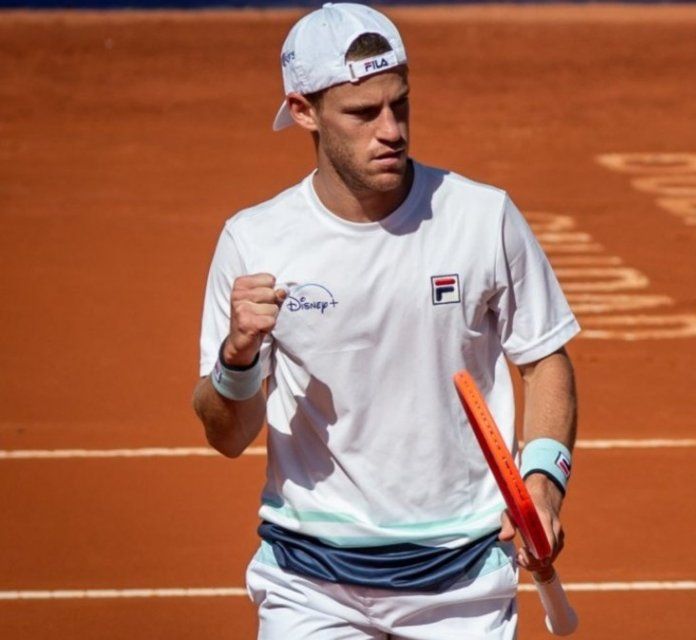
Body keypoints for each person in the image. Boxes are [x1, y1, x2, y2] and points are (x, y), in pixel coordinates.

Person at [190, 4, 579, 638]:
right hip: (309, 583)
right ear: (303, 111)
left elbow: (544, 360)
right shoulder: (254, 241)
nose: (391, 129)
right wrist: (236, 361)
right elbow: (227, 435)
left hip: (462, 584)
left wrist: (542, 481)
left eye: (400, 104)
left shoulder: (483, 217)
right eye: (364, 113)